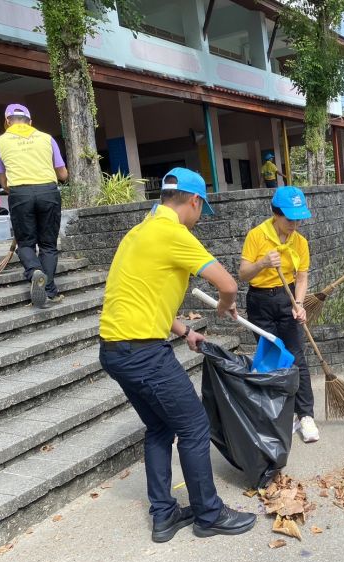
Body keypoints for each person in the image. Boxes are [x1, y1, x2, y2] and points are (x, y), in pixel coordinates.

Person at [99, 167, 256, 542]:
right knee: (194, 427)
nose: (199, 220)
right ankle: (209, 514)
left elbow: (142, 298)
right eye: (201, 211)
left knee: (160, 427)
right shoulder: (173, 232)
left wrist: (185, 331)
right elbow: (229, 283)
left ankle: (164, 515)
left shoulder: (138, 233)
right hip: (143, 353)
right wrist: (224, 304)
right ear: (193, 201)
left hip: (114, 351)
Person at [238, 186, 319, 442]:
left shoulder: (300, 241)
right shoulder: (257, 235)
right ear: (276, 213)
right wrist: (262, 263)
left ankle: (305, 415)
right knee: (271, 357)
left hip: (288, 299)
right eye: (289, 218)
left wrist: (299, 303)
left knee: (296, 356)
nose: (294, 223)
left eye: (298, 218)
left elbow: (303, 276)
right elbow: (243, 275)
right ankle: (278, 416)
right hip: (260, 301)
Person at [0, 104, 68, 308]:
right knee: (49, 245)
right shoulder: (47, 138)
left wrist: (19, 192)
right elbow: (63, 175)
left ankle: (34, 270)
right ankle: (50, 292)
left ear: (7, 121)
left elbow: (3, 183)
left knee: (25, 244)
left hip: (20, 193)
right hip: (48, 192)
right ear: (30, 121)